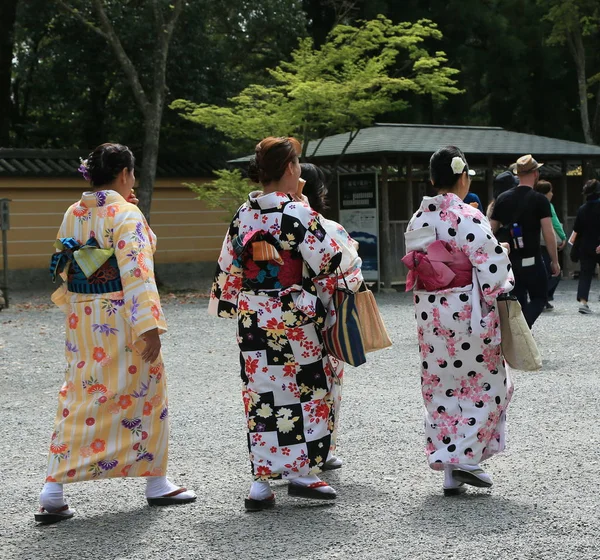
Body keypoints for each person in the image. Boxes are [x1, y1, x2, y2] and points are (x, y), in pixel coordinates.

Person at [36, 143, 196, 524]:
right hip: (122, 318)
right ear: (125, 173)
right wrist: (150, 327)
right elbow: (138, 270)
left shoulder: (74, 212)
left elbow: (63, 263)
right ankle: (156, 482)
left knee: (80, 394)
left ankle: (53, 491)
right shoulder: (126, 213)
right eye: (133, 174)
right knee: (147, 392)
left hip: (84, 317)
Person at [209, 137, 344, 511]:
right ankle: (301, 473)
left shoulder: (243, 214)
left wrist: (235, 303)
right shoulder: (296, 215)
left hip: (253, 314)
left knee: (262, 395)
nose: (300, 170)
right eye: (297, 163)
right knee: (306, 389)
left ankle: (261, 483)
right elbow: (332, 261)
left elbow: (228, 267)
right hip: (291, 313)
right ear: (289, 168)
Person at [403, 146, 515, 495]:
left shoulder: (418, 219)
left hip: (430, 313)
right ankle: (466, 457)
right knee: (490, 384)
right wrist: (504, 276)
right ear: (462, 176)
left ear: (433, 179)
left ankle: (450, 467)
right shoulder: (467, 216)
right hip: (467, 312)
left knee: (442, 386)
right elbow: (494, 271)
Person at [299, 163, 363, 471]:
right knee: (326, 383)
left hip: (282, 312)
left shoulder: (272, 219)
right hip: (322, 313)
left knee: (288, 387)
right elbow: (348, 271)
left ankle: (293, 455)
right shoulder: (324, 226)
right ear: (319, 192)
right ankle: (321, 450)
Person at [490, 154, 560, 328]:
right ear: (535, 173)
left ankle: (520, 334)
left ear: (517, 174)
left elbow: (490, 230)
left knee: (518, 300)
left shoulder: (503, 199)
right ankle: (523, 329)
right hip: (533, 258)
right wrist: (555, 260)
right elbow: (548, 232)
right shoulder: (540, 200)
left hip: (510, 260)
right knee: (540, 297)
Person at [533, 180, 567, 310]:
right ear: (546, 193)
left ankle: (542, 298)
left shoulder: (532, 202)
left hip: (535, 242)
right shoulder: (547, 205)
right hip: (546, 242)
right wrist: (563, 236)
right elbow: (555, 223)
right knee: (553, 273)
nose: (552, 194)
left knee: (542, 271)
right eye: (550, 191)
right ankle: (543, 298)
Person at [570, 179, 600, 314]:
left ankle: (583, 303)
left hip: (585, 246)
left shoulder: (582, 209)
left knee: (585, 274)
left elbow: (576, 229)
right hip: (598, 244)